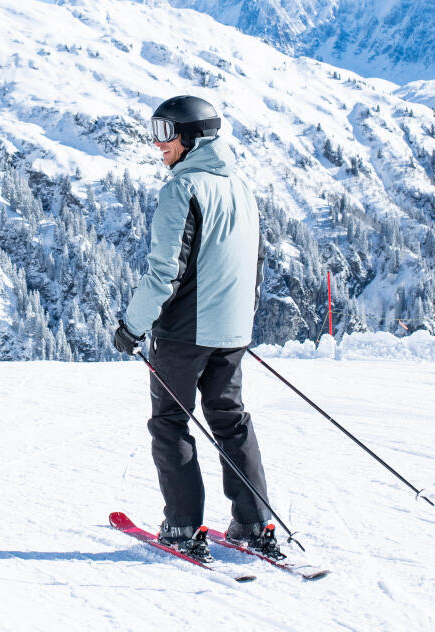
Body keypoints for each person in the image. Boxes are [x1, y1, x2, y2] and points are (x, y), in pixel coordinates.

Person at [113, 95, 283, 563]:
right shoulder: (241, 188)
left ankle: (183, 527)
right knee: (231, 421)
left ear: (192, 137)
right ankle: (255, 523)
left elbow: (164, 271)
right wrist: (237, 324)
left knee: (170, 422)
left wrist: (132, 325)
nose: (157, 143)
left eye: (166, 132)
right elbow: (253, 263)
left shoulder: (182, 189)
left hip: (185, 332)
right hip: (230, 331)